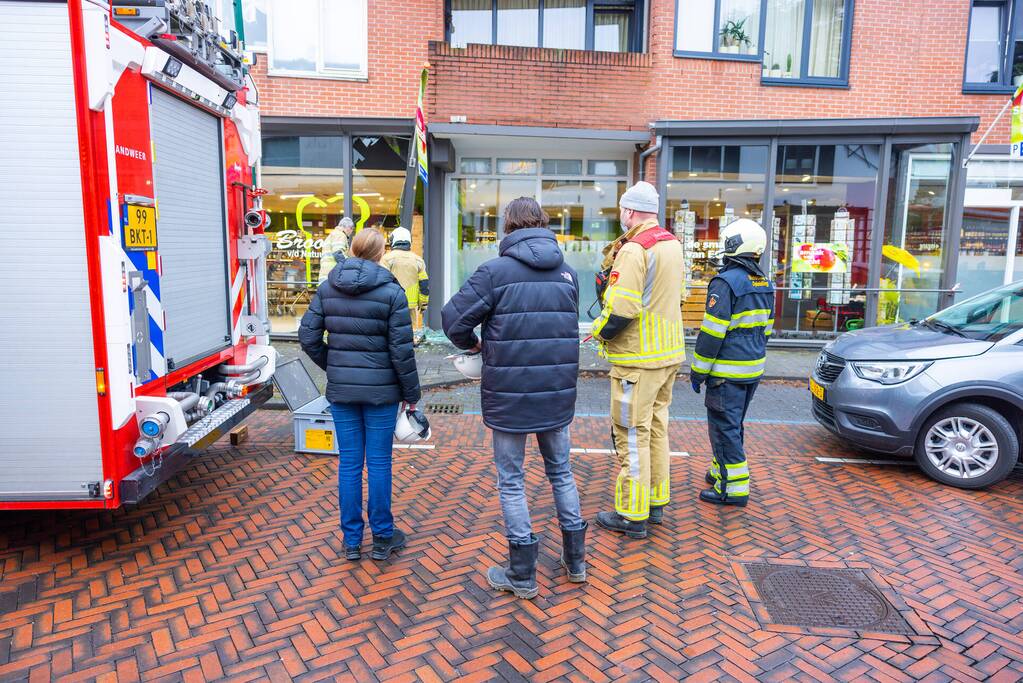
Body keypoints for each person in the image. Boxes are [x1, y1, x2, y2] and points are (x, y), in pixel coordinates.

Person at [442, 196, 585, 600]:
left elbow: (453, 320)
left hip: (509, 393)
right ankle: (576, 561)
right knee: (561, 471)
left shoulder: (494, 272)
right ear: (542, 222)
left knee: (511, 480)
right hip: (556, 391)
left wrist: (474, 347)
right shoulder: (568, 273)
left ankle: (522, 573)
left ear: (508, 227)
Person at [299, 227, 421, 561]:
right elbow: (401, 351)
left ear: (352, 249)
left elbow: (308, 337)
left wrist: (334, 365)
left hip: (342, 393)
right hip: (382, 394)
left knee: (349, 464)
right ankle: (382, 537)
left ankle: (352, 540)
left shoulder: (328, 288)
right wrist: (411, 394)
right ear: (381, 253)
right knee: (379, 463)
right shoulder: (392, 292)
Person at [591, 181, 686, 539]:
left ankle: (632, 515)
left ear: (629, 211)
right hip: (668, 355)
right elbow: (678, 296)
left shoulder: (635, 249)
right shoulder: (672, 244)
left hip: (638, 360)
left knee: (631, 434)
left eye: (621, 210)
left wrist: (597, 331)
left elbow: (622, 309)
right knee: (657, 428)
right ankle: (655, 502)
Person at [690, 218, 774, 507]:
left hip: (726, 372)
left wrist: (698, 371)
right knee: (733, 424)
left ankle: (733, 489)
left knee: (724, 427)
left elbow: (712, 334)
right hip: (752, 370)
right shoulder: (764, 282)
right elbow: (767, 329)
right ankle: (720, 471)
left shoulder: (725, 283)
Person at [381, 227, 430, 341]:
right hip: (410, 306)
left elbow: (382, 281)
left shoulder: (386, 259)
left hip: (390, 303)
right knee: (409, 333)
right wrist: (423, 304)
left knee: (391, 331)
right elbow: (424, 285)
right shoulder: (418, 260)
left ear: (393, 240)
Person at [318, 217, 355, 283]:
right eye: (352, 229)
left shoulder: (332, 235)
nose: (351, 232)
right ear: (348, 227)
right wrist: (348, 267)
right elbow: (338, 253)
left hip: (325, 274)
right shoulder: (340, 235)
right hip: (333, 274)